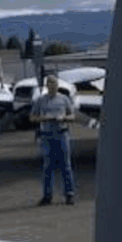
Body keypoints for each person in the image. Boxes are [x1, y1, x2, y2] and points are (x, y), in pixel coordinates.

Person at [29, 75, 76, 205]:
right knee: (47, 167)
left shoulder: (64, 99)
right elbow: (32, 117)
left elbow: (72, 116)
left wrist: (64, 118)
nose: (52, 86)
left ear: (57, 85)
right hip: (47, 135)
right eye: (49, 83)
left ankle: (69, 194)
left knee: (66, 166)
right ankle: (47, 196)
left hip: (62, 134)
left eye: (54, 83)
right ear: (46, 86)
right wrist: (44, 118)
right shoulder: (40, 100)